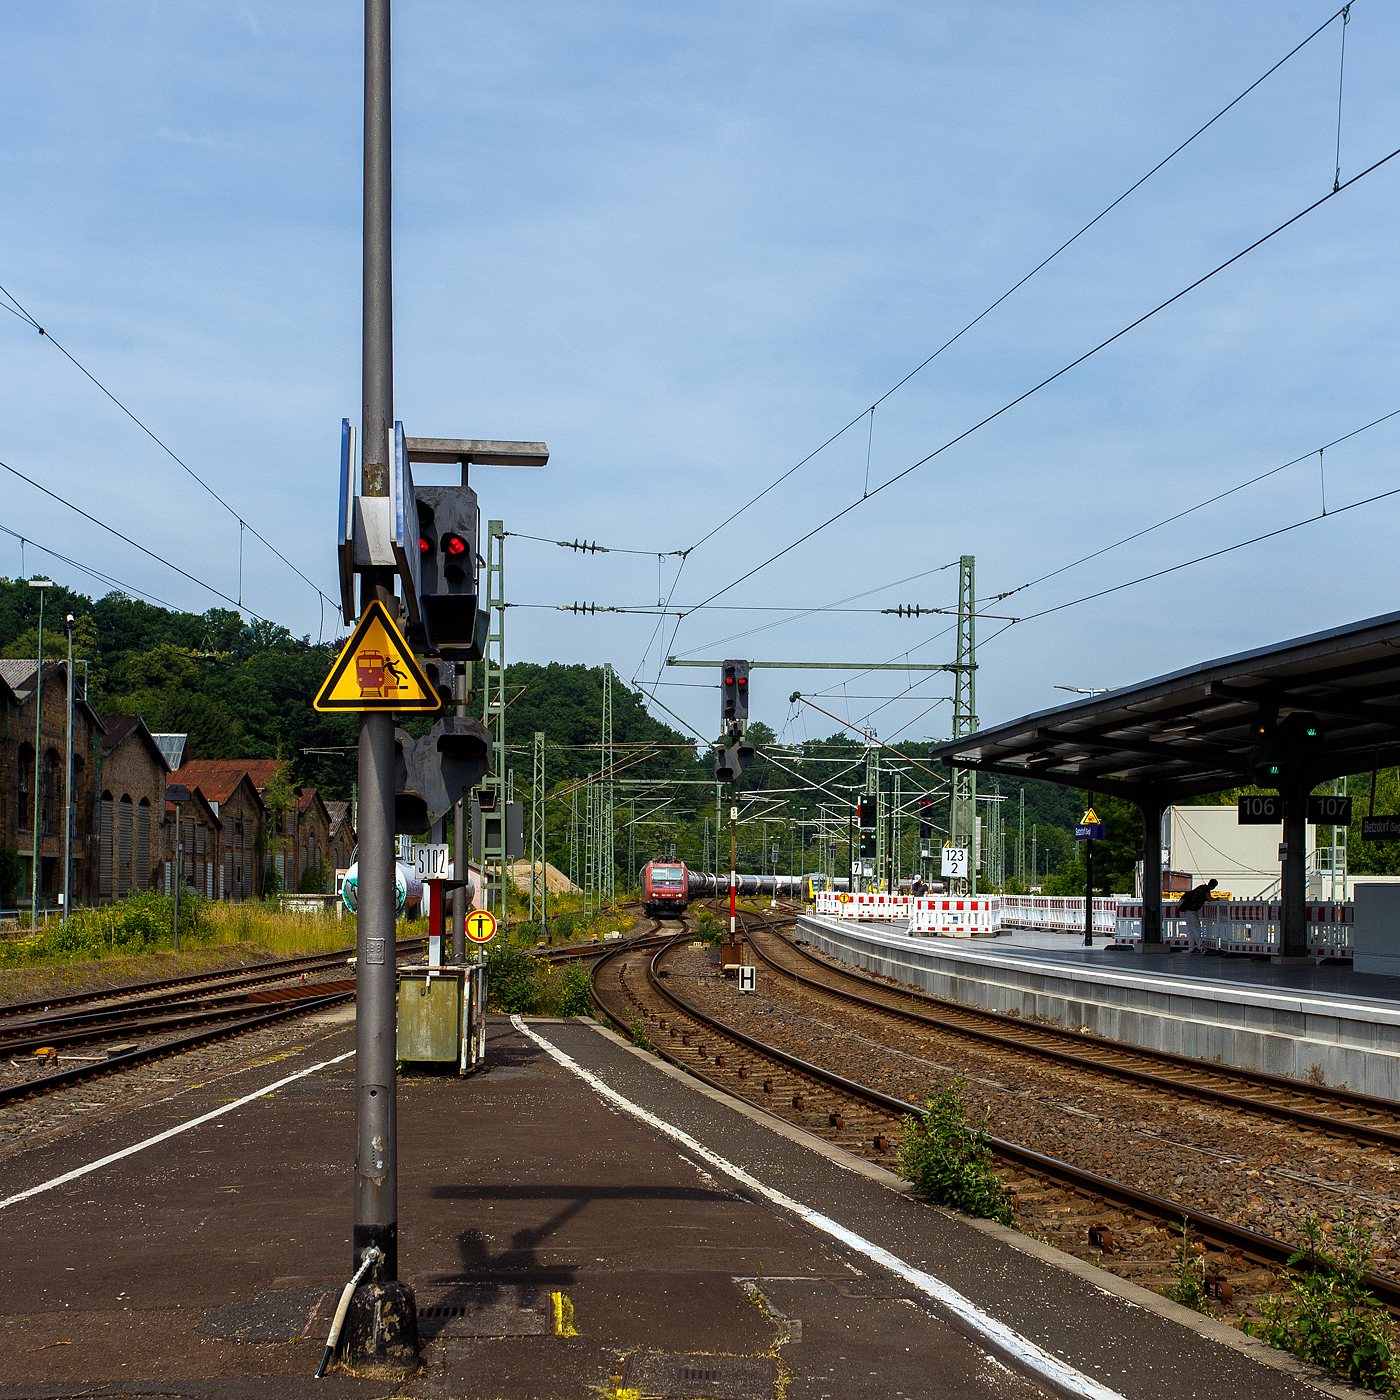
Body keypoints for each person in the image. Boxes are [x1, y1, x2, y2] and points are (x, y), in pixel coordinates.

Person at [1177, 878, 1218, 952]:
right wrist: (1216, 899)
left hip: (1188, 910)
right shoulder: (1206, 890)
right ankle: (1200, 947)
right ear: (1214, 886)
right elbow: (1209, 898)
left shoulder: (1201, 887)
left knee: (1190, 930)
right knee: (1197, 929)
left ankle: (1191, 947)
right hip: (1192, 911)